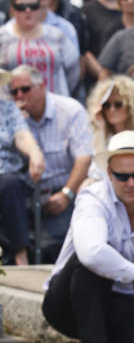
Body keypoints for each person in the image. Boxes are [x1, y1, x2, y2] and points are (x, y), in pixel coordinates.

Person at [42, 131, 134, 343]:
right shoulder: (92, 198)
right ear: (109, 173)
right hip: (67, 302)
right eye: (122, 176)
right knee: (89, 264)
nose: (131, 183)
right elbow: (92, 253)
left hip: (122, 300)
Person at [7, 64, 92, 262]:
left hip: (63, 194)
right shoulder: (13, 115)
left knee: (52, 246)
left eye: (25, 89)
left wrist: (66, 193)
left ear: (42, 86)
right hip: (26, 198)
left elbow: (84, 157)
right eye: (14, 92)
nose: (20, 95)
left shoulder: (70, 110)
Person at [0, 67, 45, 265]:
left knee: (11, 184)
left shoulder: (7, 109)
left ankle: (21, 258)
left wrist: (34, 152)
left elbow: (21, 135)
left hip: (7, 175)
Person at [0, 0, 79, 95]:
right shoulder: (3, 36)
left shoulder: (56, 35)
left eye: (33, 6)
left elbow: (73, 69)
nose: (28, 10)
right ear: (12, 10)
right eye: (21, 7)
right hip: (14, 105)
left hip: (53, 103)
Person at [85, 75, 134, 183]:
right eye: (106, 105)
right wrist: (100, 130)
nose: (112, 109)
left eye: (118, 104)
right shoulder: (101, 134)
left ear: (131, 106)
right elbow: (97, 174)